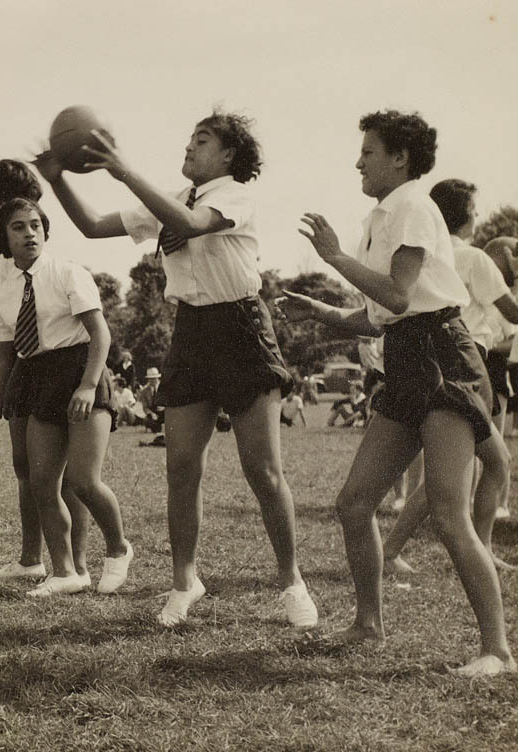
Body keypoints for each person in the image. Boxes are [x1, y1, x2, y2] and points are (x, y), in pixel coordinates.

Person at [36, 110, 317, 628]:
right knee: (181, 469)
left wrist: (121, 170)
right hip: (191, 331)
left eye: (202, 140)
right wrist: (57, 180)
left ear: (229, 155)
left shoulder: (233, 195)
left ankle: (291, 581)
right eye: (189, 137)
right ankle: (185, 581)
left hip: (241, 329)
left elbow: (191, 225)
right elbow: (94, 228)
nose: (188, 147)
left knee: (264, 472)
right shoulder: (170, 200)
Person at [279, 109, 514, 676]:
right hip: (408, 356)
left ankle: (497, 652)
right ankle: (368, 623)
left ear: (400, 158)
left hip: (440, 358)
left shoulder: (411, 205)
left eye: (368, 151)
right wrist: (322, 311)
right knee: (355, 502)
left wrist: (334, 258)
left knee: (450, 516)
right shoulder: (382, 215)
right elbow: (382, 315)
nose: (357, 161)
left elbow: (403, 296)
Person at [0, 198, 133, 596]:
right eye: (18, 227)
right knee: (41, 482)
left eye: (35, 225)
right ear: (3, 238)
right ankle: (67, 572)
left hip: (81, 369)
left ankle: (118, 548)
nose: (29, 233)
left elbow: (101, 334)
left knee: (83, 480)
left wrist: (86, 385)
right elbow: (2, 354)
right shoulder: (4, 285)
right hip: (35, 376)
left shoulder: (67, 272)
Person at [381, 179, 518, 573]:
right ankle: (478, 548)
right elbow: (512, 312)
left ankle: (398, 549)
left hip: (432, 355)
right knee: (484, 464)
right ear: (466, 215)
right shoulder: (475, 258)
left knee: (470, 465)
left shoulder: (429, 252)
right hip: (467, 359)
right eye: (475, 210)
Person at [0, 158, 79, 582]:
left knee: (58, 474)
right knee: (24, 466)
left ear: (1, 203)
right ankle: (31, 558)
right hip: (16, 369)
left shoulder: (43, 257)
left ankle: (76, 564)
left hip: (54, 367)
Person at [135, 367, 165, 434]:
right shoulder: (144, 391)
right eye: (150, 378)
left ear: (158, 378)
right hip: (152, 413)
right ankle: (156, 427)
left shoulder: (164, 388)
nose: (152, 380)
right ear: (148, 379)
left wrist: (163, 408)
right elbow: (145, 407)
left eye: (154, 378)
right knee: (148, 421)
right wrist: (151, 413)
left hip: (163, 412)